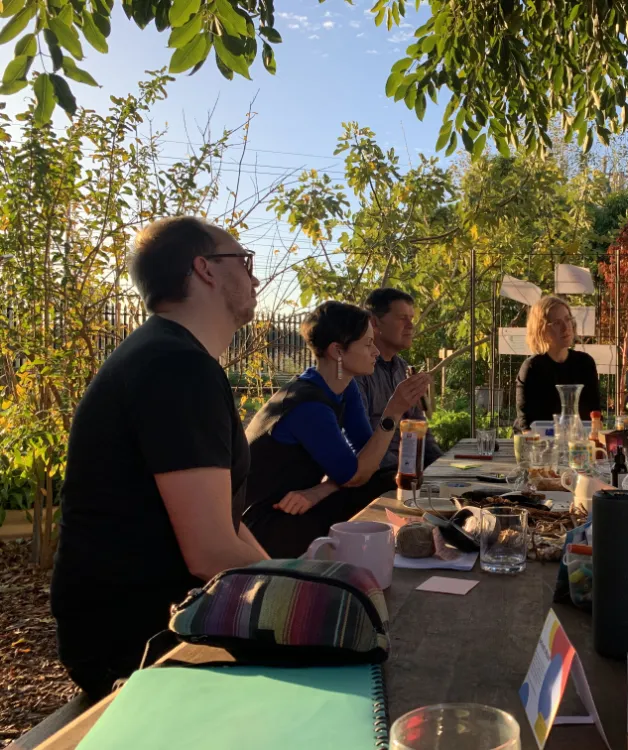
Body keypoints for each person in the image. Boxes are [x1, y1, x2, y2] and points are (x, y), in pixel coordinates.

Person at [50, 217, 269, 698]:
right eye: (244, 261)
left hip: (165, 617)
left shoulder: (174, 357)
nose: (254, 278)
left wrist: (293, 577)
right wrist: (304, 598)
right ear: (205, 269)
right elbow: (210, 553)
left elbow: (226, 523)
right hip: (140, 643)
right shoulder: (175, 368)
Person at [243, 301, 431, 558]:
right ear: (337, 351)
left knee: (386, 479)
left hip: (303, 500)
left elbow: (368, 458)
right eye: (367, 344)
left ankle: (417, 542)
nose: (375, 351)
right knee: (378, 490)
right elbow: (356, 475)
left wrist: (321, 490)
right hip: (268, 519)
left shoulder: (344, 387)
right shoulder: (307, 404)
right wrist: (393, 412)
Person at [355, 288, 442, 470]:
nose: (411, 326)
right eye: (402, 318)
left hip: (407, 471)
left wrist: (442, 467)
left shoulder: (403, 368)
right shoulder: (356, 371)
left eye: (411, 318)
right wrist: (403, 471)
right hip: (376, 478)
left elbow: (420, 429)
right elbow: (357, 446)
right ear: (374, 323)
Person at [514, 295, 601, 432]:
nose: (566, 327)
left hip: (578, 447)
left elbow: (595, 417)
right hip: (539, 447)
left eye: (568, 320)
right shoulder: (532, 368)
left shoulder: (585, 364)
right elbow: (526, 426)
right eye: (557, 323)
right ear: (541, 329)